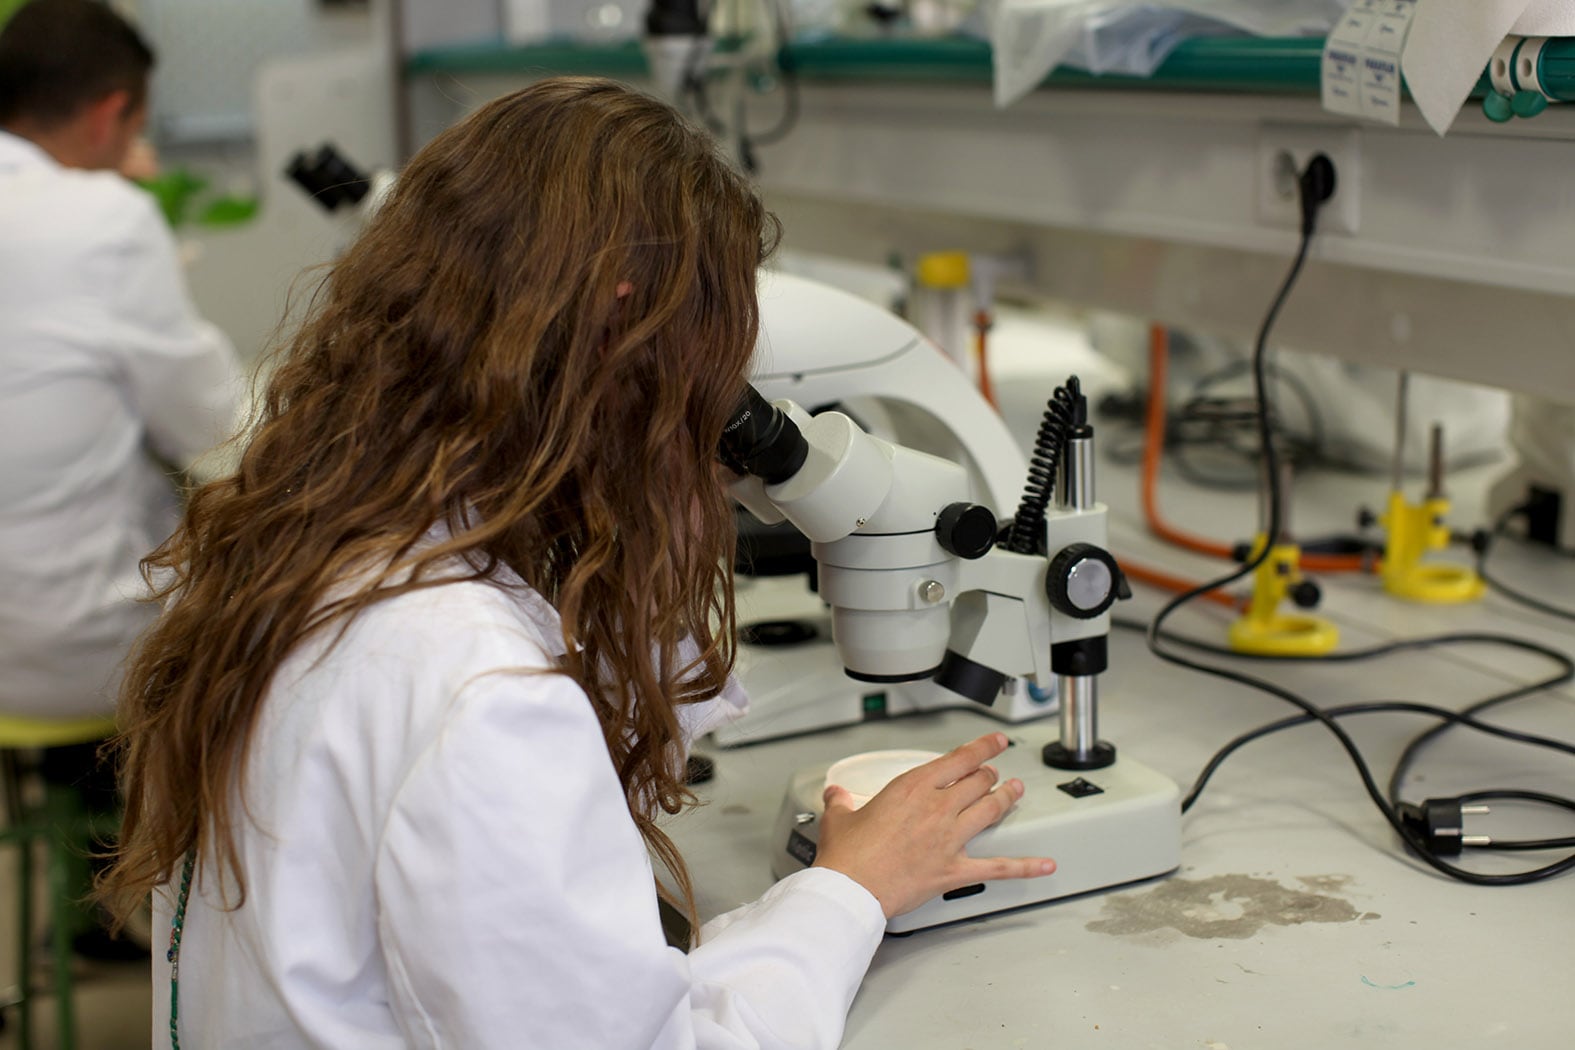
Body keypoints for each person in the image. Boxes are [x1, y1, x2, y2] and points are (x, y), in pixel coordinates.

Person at [101, 77, 1055, 1049]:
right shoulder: (483, 694)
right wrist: (848, 893)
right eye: (709, 365)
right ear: (627, 335)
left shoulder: (315, 549)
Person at [0, 0, 240, 957]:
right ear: (111, 118)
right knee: (254, 608)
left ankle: (87, 892)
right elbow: (211, 423)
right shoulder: (98, 216)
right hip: (64, 649)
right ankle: (153, 902)